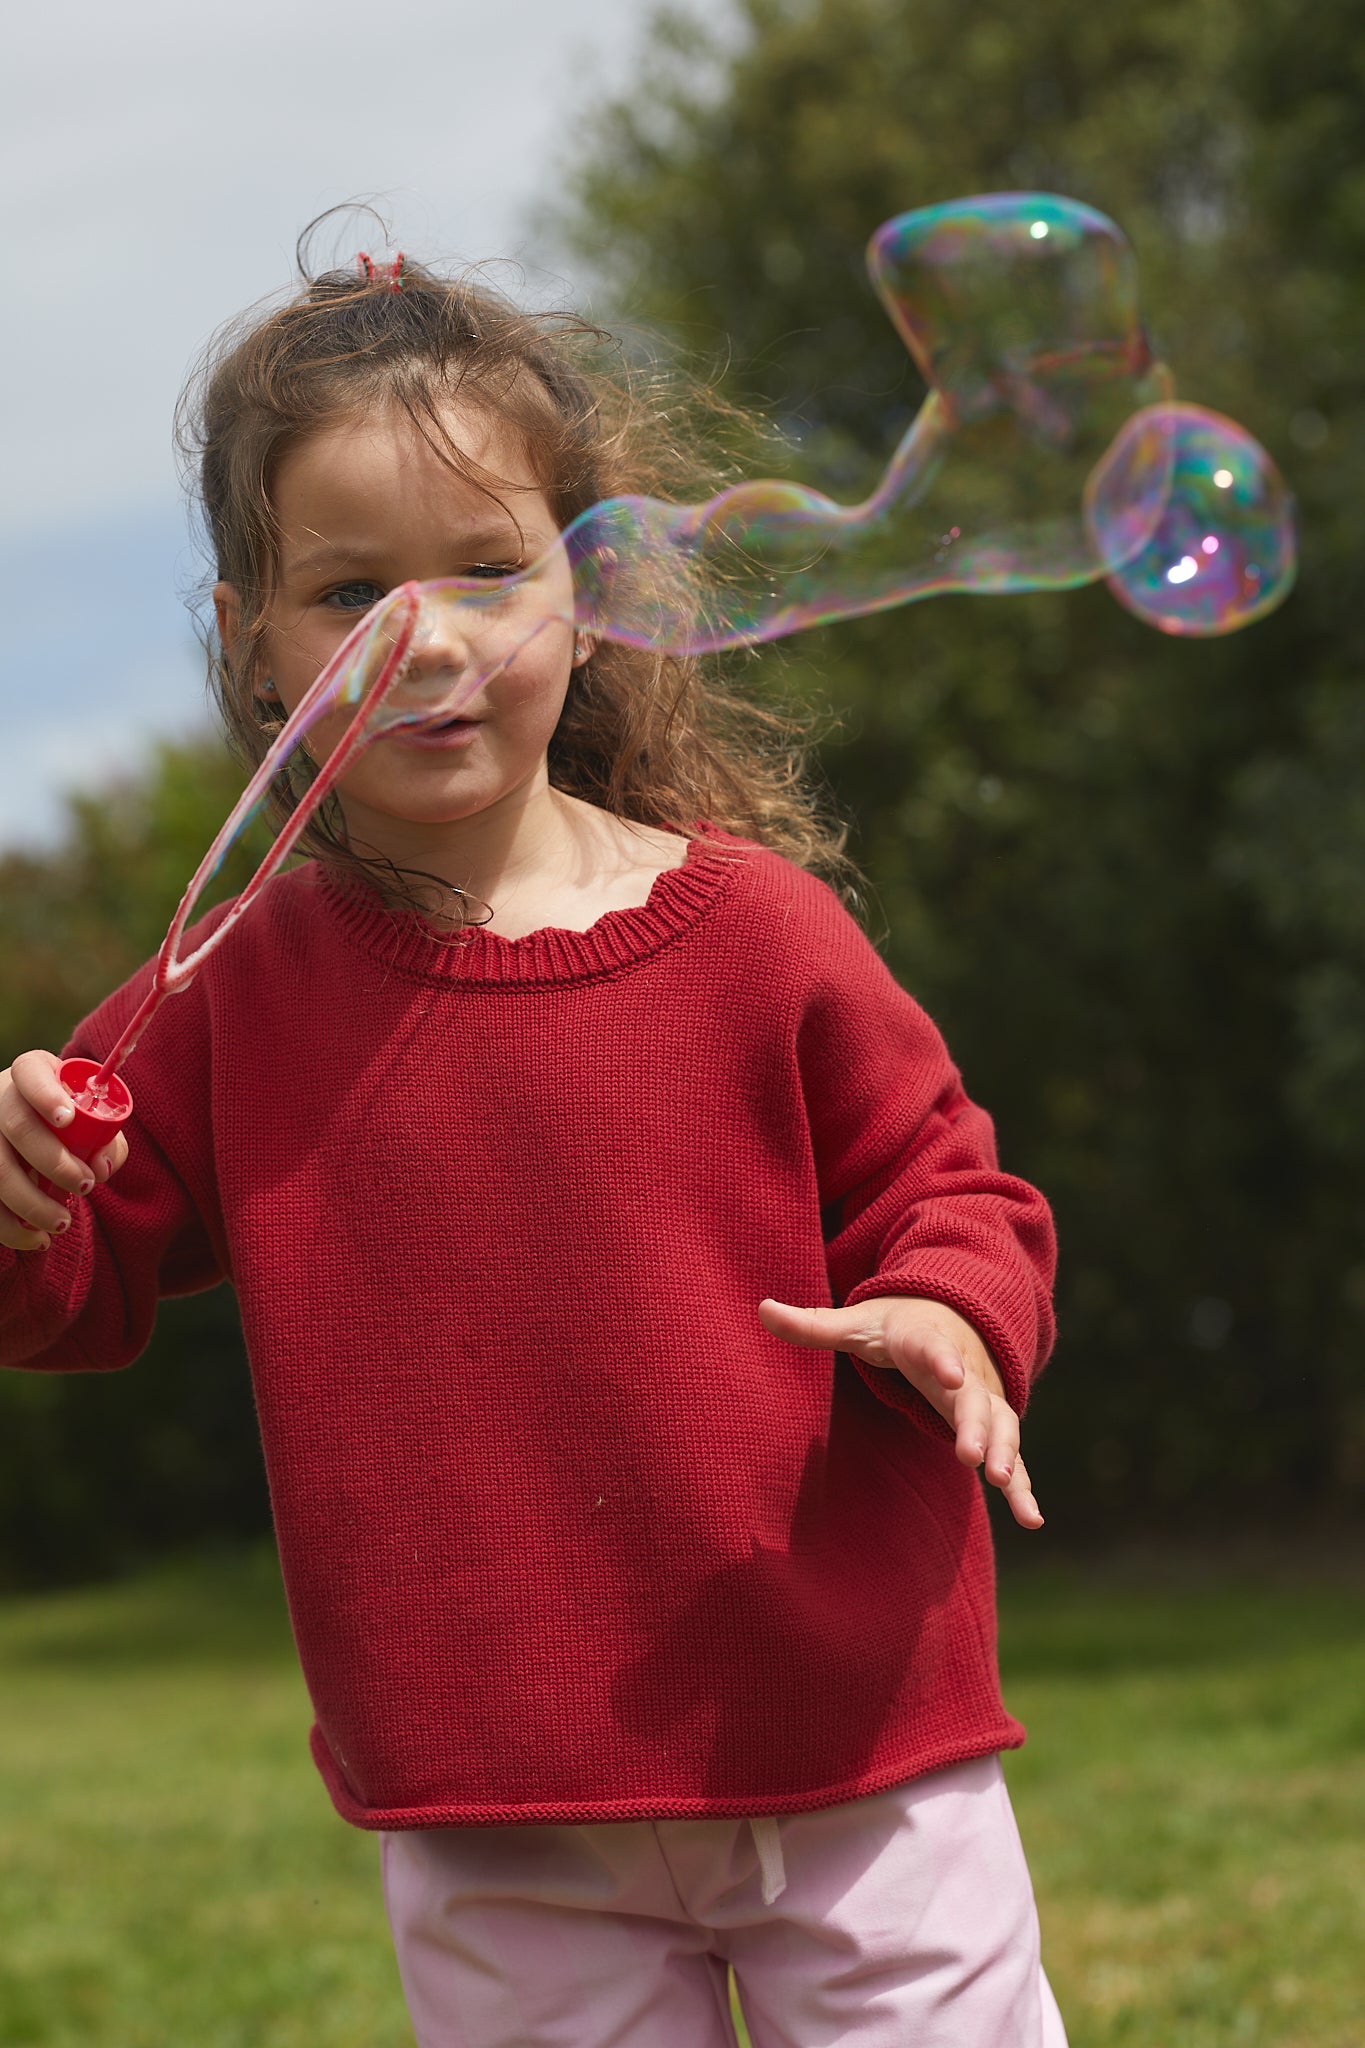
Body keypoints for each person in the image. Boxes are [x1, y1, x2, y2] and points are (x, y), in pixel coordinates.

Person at [0, 238, 1067, 2048]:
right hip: (499, 1804)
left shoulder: (756, 931)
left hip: (856, 1744)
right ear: (249, 643)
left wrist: (952, 1315)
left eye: (489, 572)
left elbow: (952, 1185)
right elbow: (67, 1290)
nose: (429, 641)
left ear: (591, 598)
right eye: (349, 592)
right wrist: (17, 1190)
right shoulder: (237, 981)